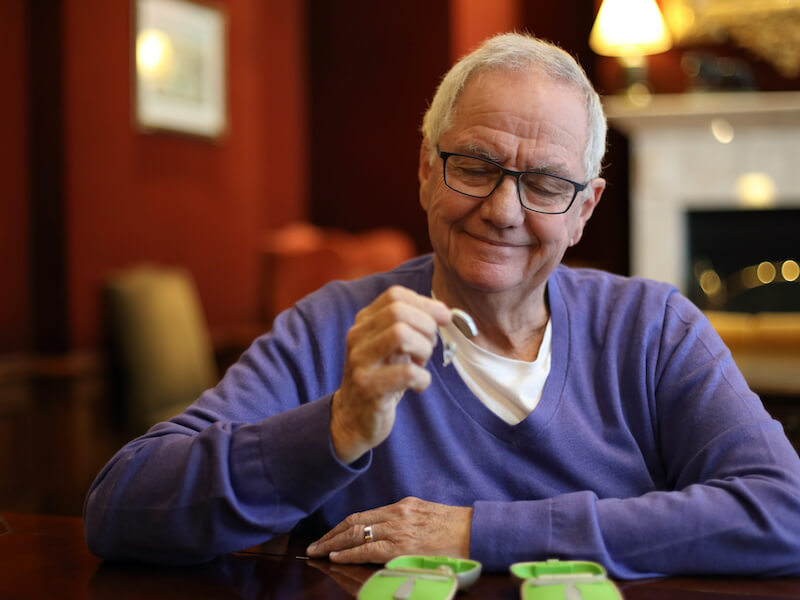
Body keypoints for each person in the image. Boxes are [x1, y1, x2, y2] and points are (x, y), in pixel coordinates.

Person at [84, 33, 800, 579]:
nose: (502, 210)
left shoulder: (654, 329)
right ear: (428, 168)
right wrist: (336, 427)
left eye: (545, 184)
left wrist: (475, 534)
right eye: (476, 166)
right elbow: (120, 508)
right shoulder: (332, 327)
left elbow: (783, 510)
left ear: (586, 209)